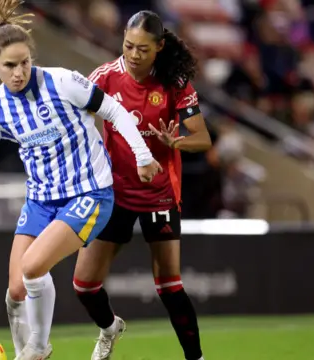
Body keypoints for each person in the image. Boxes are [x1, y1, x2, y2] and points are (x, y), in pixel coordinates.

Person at [0, 1, 162, 359]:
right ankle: (35, 351)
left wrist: (143, 155)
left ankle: (38, 348)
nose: (19, 72)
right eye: (10, 65)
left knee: (34, 266)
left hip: (89, 192)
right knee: (16, 290)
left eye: (24, 62)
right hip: (41, 200)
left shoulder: (63, 82)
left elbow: (112, 109)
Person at [72, 10, 212, 360]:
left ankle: (196, 358)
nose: (134, 55)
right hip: (114, 193)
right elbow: (78, 121)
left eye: (143, 49)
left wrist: (175, 142)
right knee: (84, 285)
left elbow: (203, 138)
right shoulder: (104, 78)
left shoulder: (174, 83)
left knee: (169, 285)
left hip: (159, 193)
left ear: (160, 47)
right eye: (129, 46)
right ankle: (109, 328)